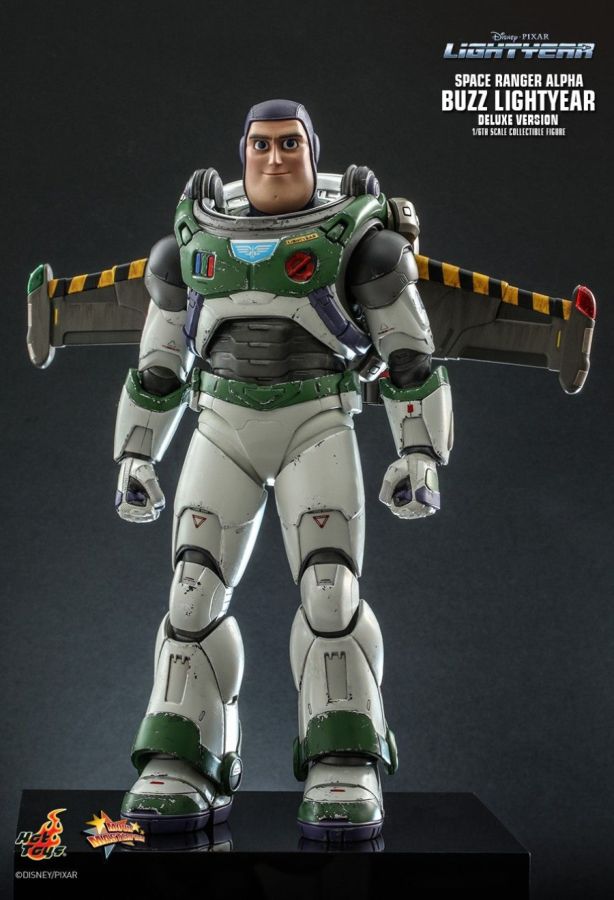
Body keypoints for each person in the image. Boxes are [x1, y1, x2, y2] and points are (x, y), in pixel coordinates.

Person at [113, 98, 453, 841]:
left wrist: (420, 452)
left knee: (331, 591)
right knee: (191, 589)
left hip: (317, 420)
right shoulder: (191, 243)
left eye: (290, 144)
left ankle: (344, 758)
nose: (274, 158)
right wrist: (137, 452)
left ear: (312, 150)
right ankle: (186, 755)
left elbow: (409, 357)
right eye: (261, 145)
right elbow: (160, 362)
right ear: (242, 153)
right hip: (221, 425)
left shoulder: (362, 244)